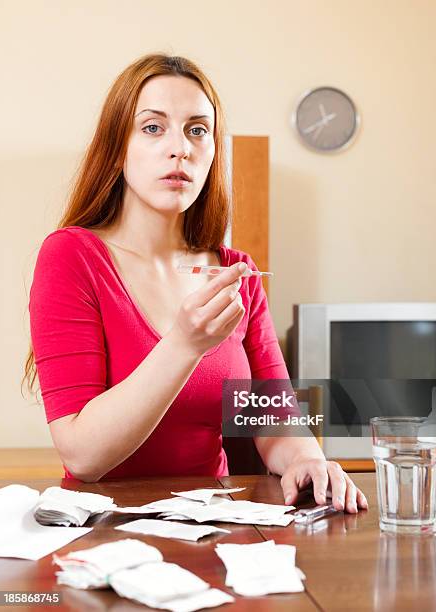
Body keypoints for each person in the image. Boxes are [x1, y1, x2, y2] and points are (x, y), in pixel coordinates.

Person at [24, 53, 368, 514]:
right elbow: (83, 456)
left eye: (197, 130)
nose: (180, 148)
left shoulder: (237, 272)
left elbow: (272, 420)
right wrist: (184, 344)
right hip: (104, 529)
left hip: (213, 522)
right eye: (152, 128)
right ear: (116, 145)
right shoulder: (71, 257)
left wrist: (307, 460)